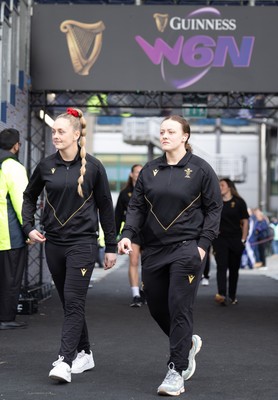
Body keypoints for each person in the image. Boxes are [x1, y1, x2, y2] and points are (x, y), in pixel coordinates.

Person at [118, 115, 223, 397]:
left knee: (179, 307)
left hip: (187, 248)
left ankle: (176, 370)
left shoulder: (201, 169)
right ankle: (187, 344)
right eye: (162, 131)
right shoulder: (150, 170)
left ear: (185, 136)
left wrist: (202, 245)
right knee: (156, 306)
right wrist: (127, 233)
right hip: (154, 249)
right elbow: (137, 206)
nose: (164, 135)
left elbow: (214, 209)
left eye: (171, 131)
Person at [22, 108, 117, 383]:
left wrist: (110, 245)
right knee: (68, 302)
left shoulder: (95, 167)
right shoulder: (45, 166)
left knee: (74, 301)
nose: (55, 136)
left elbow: (106, 207)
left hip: (83, 244)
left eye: (61, 131)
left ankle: (65, 360)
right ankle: (85, 352)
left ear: (76, 134)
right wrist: (29, 228)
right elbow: (29, 197)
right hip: (54, 244)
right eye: (53, 131)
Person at [0, 128, 29, 330]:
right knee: (10, 277)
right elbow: (21, 203)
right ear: (16, 145)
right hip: (8, 233)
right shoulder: (13, 167)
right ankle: (6, 318)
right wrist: (30, 229)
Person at [212, 178, 249, 306]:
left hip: (235, 240)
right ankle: (221, 294)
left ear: (229, 187)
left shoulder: (239, 202)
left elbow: (245, 222)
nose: (220, 187)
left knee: (234, 269)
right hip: (220, 240)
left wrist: (243, 239)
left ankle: (232, 295)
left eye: (222, 185)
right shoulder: (215, 203)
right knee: (221, 267)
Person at [115, 164, 144, 307]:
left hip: (149, 233)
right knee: (133, 261)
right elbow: (118, 216)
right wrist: (114, 237)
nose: (139, 174)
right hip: (133, 232)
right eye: (137, 172)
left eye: (141, 172)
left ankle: (145, 290)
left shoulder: (150, 191)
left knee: (149, 264)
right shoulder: (124, 193)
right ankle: (136, 294)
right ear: (131, 174)